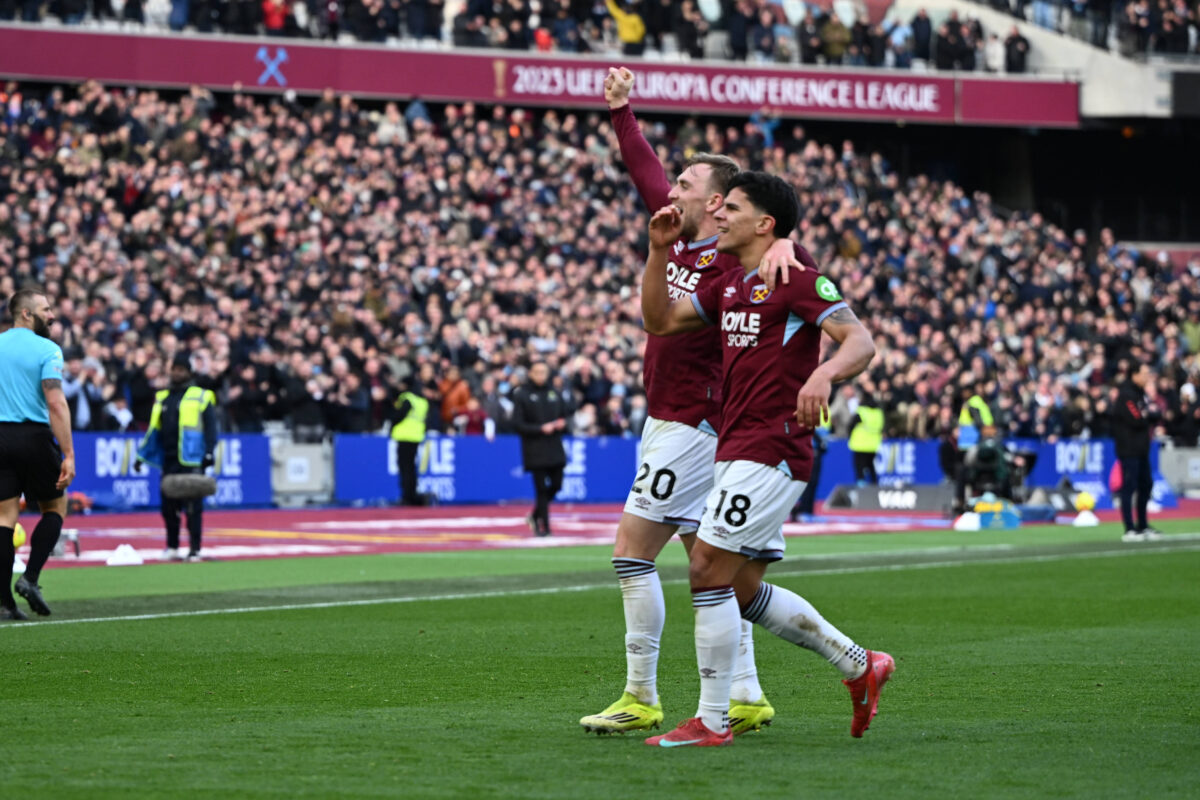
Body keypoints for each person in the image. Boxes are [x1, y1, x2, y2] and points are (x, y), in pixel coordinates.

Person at [580, 67, 811, 737]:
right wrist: (622, 111)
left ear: (717, 203)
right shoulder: (675, 232)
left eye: (686, 184)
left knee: (631, 552)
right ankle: (746, 693)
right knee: (715, 571)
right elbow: (644, 168)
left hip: (695, 421)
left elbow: (783, 252)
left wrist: (787, 241)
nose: (671, 189)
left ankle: (640, 693)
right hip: (678, 417)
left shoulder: (738, 259)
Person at [640, 171, 892, 747]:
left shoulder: (794, 276)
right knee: (741, 589)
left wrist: (823, 374)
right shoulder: (730, 283)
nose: (719, 215)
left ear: (764, 223)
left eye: (731, 208)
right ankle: (860, 665)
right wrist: (657, 254)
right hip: (735, 447)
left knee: (705, 568)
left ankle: (712, 720)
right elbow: (661, 321)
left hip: (774, 447)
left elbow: (860, 342)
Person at [0, 288, 76, 620]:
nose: (52, 315)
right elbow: (55, 402)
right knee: (55, 507)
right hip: (33, 435)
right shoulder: (48, 349)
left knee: (4, 518)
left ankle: (5, 601)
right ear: (26, 313)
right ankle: (29, 579)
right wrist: (68, 453)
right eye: (46, 309)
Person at [137, 353, 218, 562]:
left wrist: (210, 451)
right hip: (169, 459)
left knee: (193, 508)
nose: (176, 373)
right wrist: (141, 456)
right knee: (168, 507)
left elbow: (211, 428)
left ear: (189, 372)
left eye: (181, 369)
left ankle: (195, 549)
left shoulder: (202, 396)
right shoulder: (163, 397)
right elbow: (154, 431)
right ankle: (172, 546)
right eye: (174, 369)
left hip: (192, 459)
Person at [510, 361, 569, 537]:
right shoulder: (522, 394)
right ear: (530, 373)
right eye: (537, 372)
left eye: (544, 372)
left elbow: (565, 415)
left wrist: (562, 424)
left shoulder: (554, 393)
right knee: (541, 489)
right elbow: (517, 424)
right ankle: (545, 527)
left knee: (557, 484)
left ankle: (535, 515)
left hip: (554, 445)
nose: (541, 376)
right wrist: (540, 429)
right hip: (534, 447)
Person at [1114, 362, 1163, 542]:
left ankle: (1142, 524)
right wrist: (1148, 414)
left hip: (1142, 448)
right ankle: (1129, 528)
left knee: (1146, 485)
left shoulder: (1140, 394)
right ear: (1134, 374)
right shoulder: (1126, 394)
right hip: (1128, 448)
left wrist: (1148, 414)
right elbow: (1137, 419)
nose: (1147, 376)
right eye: (1144, 373)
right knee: (1129, 486)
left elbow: (1155, 414)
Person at [390, 378, 428, 507]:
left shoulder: (408, 399)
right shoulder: (422, 401)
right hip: (416, 436)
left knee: (404, 468)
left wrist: (392, 420)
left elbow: (398, 416)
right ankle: (412, 495)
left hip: (404, 436)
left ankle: (406, 496)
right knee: (411, 467)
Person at [847, 387, 883, 485]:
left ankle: (861, 486)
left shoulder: (862, 411)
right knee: (871, 466)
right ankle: (875, 485)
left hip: (860, 444)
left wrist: (849, 436)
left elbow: (850, 426)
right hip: (873, 445)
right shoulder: (878, 412)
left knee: (859, 466)